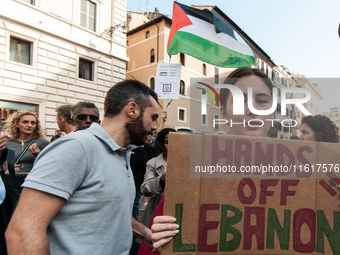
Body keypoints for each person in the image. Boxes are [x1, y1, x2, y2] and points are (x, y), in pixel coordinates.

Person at [6, 80, 159, 254]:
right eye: (153, 117)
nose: (154, 126)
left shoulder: (122, 153)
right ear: (132, 110)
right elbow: (22, 232)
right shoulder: (75, 147)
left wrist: (145, 232)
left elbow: (106, 210)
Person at [148, 67, 276, 252]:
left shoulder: (304, 175)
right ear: (224, 114)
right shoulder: (193, 169)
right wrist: (161, 241)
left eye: (262, 101)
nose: (252, 110)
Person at [140, 128, 176, 229]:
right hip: (159, 211)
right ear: (160, 144)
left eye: (175, 141)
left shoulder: (187, 163)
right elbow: (145, 189)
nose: (172, 145)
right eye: (167, 142)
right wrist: (161, 180)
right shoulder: (153, 163)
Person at [3, 110, 49, 175]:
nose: (29, 125)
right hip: (11, 180)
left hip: (33, 180)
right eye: (25, 122)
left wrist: (38, 154)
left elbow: (51, 164)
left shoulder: (43, 142)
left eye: (33, 123)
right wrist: (4, 166)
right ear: (16, 124)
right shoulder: (7, 142)